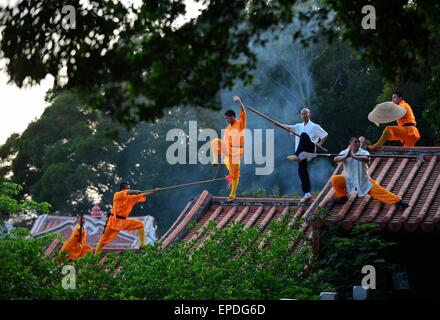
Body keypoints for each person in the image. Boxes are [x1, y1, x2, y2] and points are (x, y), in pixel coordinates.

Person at [328, 137, 409, 209]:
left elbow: (366, 159)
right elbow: (336, 159)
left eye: (358, 142)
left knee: (381, 192)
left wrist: (355, 157)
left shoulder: (363, 152)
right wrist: (345, 157)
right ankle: (342, 198)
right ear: (350, 143)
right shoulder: (345, 152)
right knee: (334, 179)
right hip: (350, 181)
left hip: (364, 181)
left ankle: (398, 201)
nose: (357, 143)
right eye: (355, 142)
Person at [95, 182, 160, 255]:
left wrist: (154, 191)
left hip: (123, 221)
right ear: (122, 189)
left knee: (140, 224)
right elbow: (129, 192)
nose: (129, 189)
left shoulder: (131, 198)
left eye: (130, 188)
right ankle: (95, 256)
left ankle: (142, 245)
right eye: (128, 188)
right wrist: (135, 191)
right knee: (103, 240)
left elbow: (143, 194)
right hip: (113, 221)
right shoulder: (117, 195)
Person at [284, 108, 328, 202]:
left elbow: (325, 135)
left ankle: (297, 155)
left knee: (303, 135)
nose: (304, 115)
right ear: (301, 116)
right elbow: (288, 127)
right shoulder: (298, 126)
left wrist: (320, 144)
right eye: (302, 114)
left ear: (309, 114)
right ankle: (307, 193)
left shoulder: (315, 126)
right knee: (302, 171)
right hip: (302, 154)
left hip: (310, 149)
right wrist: (279, 125)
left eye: (306, 113)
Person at [210, 96, 247, 203]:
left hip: (236, 152)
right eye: (225, 118)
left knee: (235, 174)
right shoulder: (227, 129)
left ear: (232, 117)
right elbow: (223, 143)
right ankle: (215, 160)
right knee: (215, 142)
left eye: (227, 118)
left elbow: (243, 112)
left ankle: (232, 194)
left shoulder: (240, 124)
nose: (226, 120)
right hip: (227, 151)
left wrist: (239, 102)